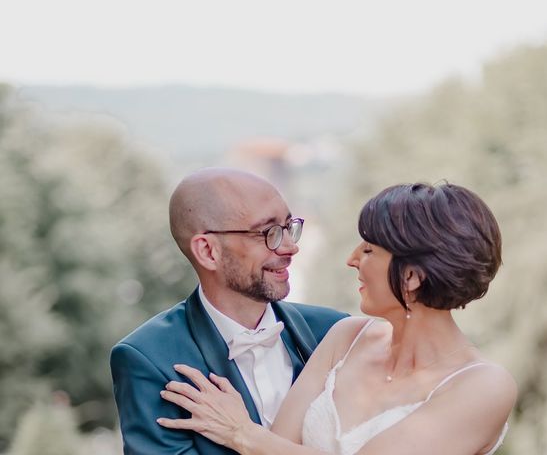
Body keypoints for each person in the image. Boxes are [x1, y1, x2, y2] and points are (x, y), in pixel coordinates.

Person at [157, 182, 518, 455]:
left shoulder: (483, 386)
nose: (352, 259)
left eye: (369, 249)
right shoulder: (346, 337)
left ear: (412, 276)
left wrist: (242, 433)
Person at [110, 168, 348, 454]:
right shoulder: (150, 358)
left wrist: (245, 436)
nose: (290, 247)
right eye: (268, 233)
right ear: (209, 251)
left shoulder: (336, 332)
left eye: (289, 227)